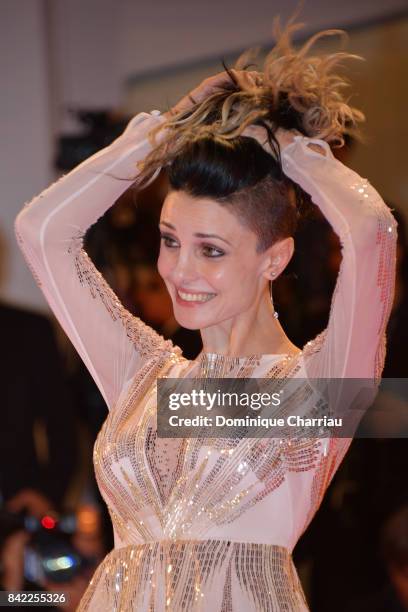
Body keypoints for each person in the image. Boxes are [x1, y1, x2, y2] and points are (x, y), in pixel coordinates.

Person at [14, 20, 397, 612]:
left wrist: (288, 144)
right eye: (171, 240)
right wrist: (163, 134)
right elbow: (42, 233)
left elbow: (371, 231)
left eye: (211, 250)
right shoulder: (146, 379)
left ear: (276, 257)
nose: (179, 271)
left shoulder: (314, 392)